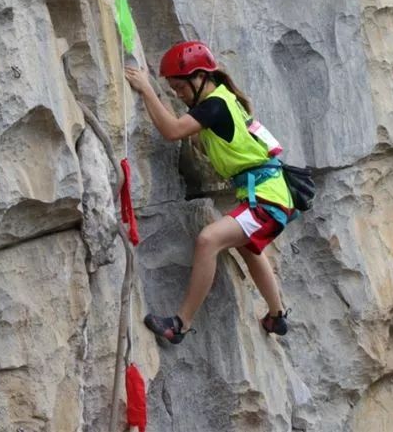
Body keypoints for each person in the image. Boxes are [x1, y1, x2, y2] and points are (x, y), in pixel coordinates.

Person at [124, 41, 296, 344]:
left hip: (267, 199)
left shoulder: (214, 105)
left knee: (208, 240)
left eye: (179, 87)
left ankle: (180, 324)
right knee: (248, 246)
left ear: (200, 77)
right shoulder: (224, 100)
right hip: (269, 195)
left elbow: (173, 130)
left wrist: (147, 90)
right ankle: (277, 316)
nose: (177, 94)